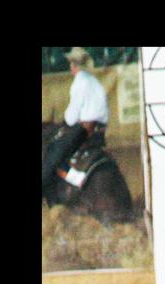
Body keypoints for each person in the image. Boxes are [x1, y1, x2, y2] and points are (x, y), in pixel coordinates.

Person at [42, 47, 109, 204]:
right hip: (100, 130)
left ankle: (75, 178)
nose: (71, 66)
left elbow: (72, 117)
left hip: (84, 129)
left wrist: (65, 122)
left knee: (53, 152)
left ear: (75, 65)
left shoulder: (80, 82)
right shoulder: (93, 81)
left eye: (72, 63)